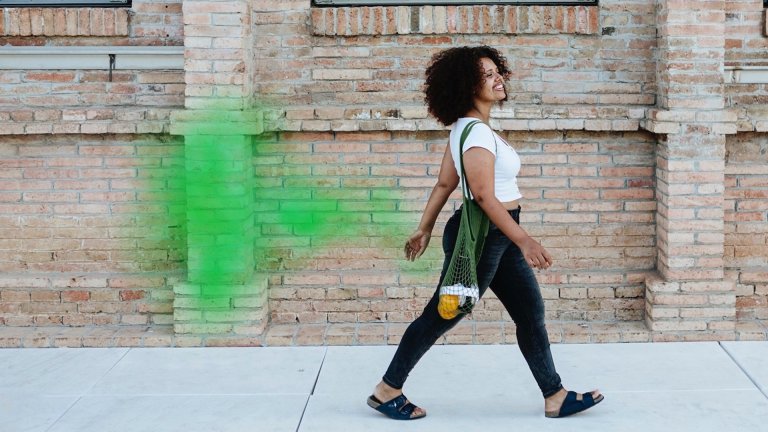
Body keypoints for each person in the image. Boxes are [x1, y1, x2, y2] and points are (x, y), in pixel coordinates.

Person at [366, 46, 604, 420]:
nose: (498, 79)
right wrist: (524, 239)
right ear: (466, 84)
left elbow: (445, 183)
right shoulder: (475, 132)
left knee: (529, 313)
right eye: (487, 74)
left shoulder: (467, 127)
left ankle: (554, 395)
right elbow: (482, 195)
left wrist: (424, 228)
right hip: (486, 235)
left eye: (498, 71)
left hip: (498, 235)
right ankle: (387, 390)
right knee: (443, 314)